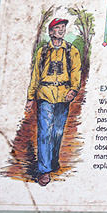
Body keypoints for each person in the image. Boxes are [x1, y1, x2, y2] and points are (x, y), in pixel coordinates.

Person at [26, 18, 81, 186]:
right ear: (51, 32)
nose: (61, 30)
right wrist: (30, 97)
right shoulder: (42, 52)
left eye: (63, 27)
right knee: (45, 133)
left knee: (57, 132)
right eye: (58, 28)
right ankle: (44, 170)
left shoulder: (72, 51)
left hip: (63, 96)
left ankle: (53, 160)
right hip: (45, 94)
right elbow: (35, 75)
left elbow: (76, 72)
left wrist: (73, 89)